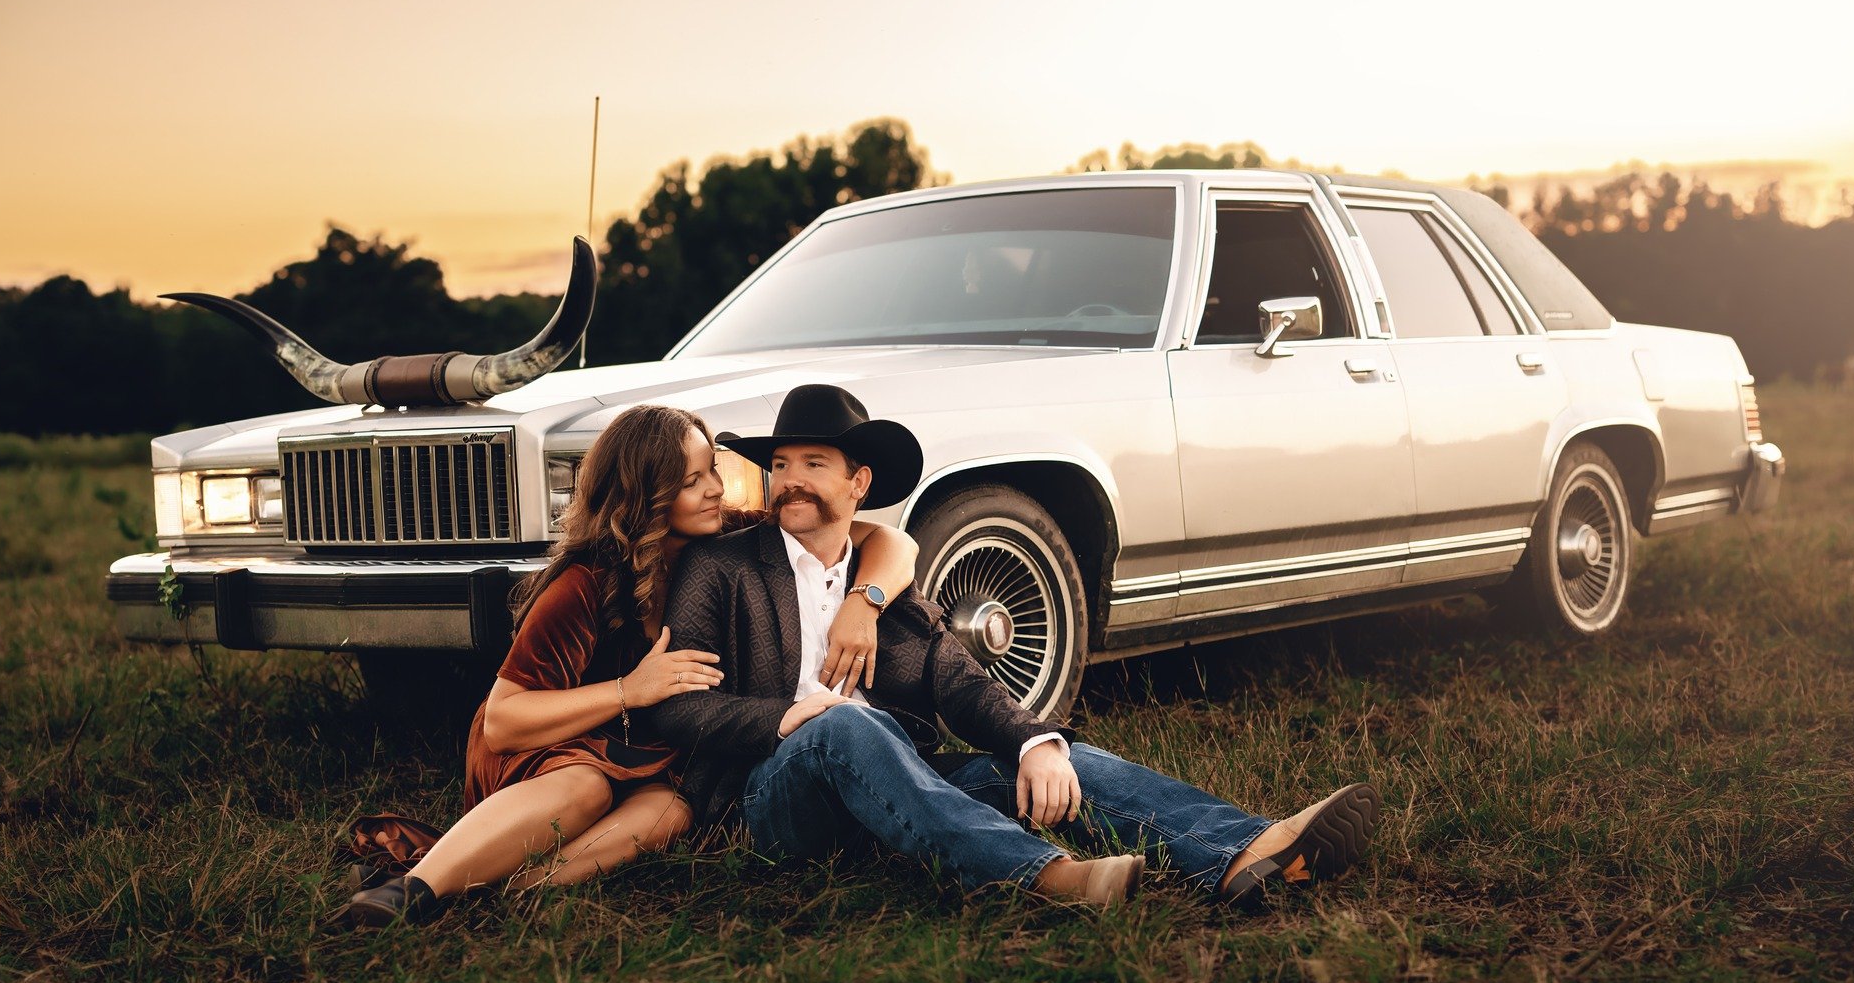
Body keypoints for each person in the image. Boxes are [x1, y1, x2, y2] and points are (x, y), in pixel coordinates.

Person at [644, 384, 1383, 911]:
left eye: (813, 463)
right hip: (772, 798)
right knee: (842, 722)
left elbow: (957, 679)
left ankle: (1246, 853)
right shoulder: (722, 568)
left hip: (896, 793)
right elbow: (676, 707)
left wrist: (1035, 742)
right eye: (780, 465)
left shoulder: (881, 585)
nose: (789, 481)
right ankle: (1044, 877)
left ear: (858, 482)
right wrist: (786, 718)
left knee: (1043, 764)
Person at [340, 401, 924, 926]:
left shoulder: (724, 537)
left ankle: (507, 890)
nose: (716, 490)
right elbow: (503, 720)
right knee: (586, 787)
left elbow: (891, 541)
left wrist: (864, 602)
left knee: (672, 812)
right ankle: (413, 890)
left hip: (643, 756)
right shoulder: (584, 583)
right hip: (545, 745)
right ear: (645, 494)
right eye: (692, 481)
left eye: (712, 470)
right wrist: (629, 690)